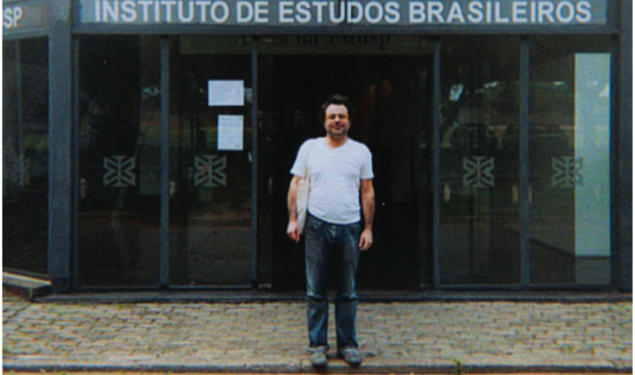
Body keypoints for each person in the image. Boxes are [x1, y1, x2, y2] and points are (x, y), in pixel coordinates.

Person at [286, 94, 375, 368]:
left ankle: (348, 345)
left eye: (342, 117)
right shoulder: (310, 148)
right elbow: (295, 185)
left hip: (350, 226)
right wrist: (293, 220)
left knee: (347, 290)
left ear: (349, 121)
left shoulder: (361, 152)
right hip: (316, 225)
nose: (337, 121)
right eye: (332, 117)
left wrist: (368, 228)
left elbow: (367, 191)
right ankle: (318, 346)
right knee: (316, 290)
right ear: (324, 122)